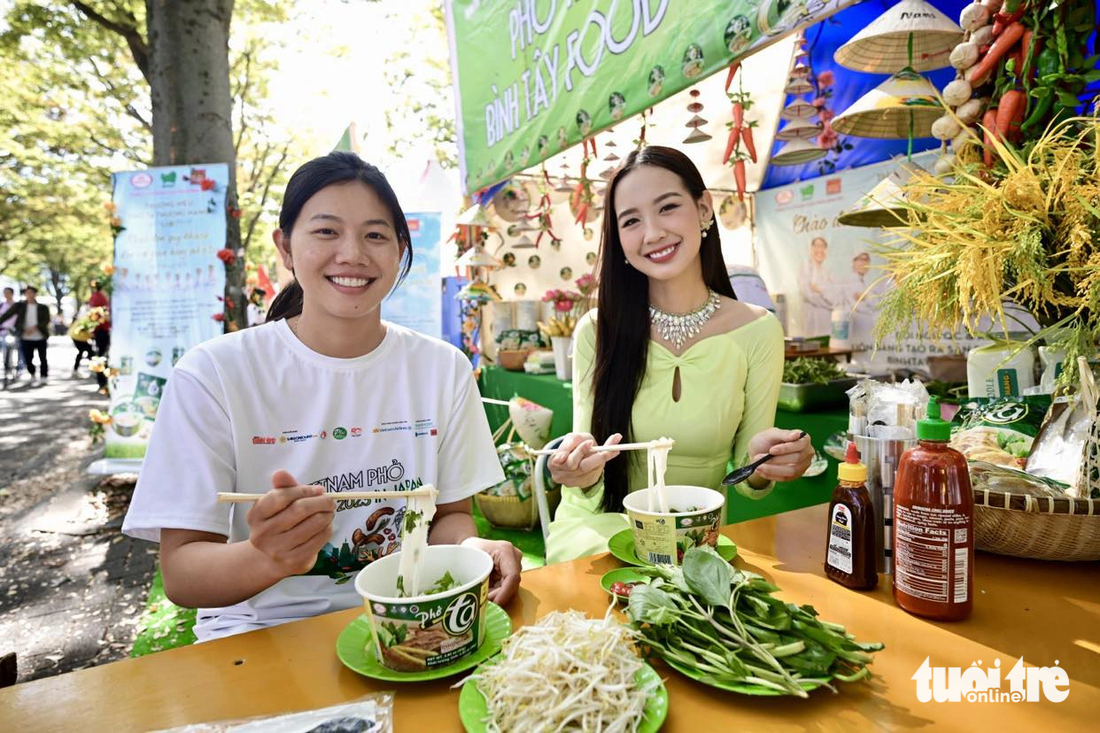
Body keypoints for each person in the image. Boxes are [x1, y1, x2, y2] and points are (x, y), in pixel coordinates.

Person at [122, 152, 522, 641]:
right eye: (327, 232)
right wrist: (265, 556)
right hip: (261, 631)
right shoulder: (213, 375)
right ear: (286, 248)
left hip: (410, 620)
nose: (352, 253)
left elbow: (449, 517)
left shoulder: (443, 369)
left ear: (400, 249)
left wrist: (472, 548)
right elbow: (183, 573)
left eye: (375, 235)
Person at [544, 146, 814, 563]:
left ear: (704, 209)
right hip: (597, 529)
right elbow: (588, 460)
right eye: (631, 221)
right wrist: (579, 468)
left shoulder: (758, 331)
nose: (651, 233)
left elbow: (747, 475)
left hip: (693, 538)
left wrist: (766, 462)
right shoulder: (597, 331)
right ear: (619, 239)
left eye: (667, 208)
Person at [7, 286, 51, 385]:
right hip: (25, 336)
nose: (29, 295)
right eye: (27, 293)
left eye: (31, 293)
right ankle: (32, 374)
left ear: (35, 294)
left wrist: (35, 328)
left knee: (42, 357)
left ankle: (44, 376)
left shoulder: (43, 307)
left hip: (40, 336)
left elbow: (46, 320)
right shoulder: (20, 306)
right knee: (28, 358)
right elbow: (8, 314)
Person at [797, 236, 835, 337]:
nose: (820, 250)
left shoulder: (826, 273)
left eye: (823, 247)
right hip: (812, 321)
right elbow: (807, 294)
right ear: (811, 249)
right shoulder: (806, 269)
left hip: (827, 322)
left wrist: (820, 291)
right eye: (817, 246)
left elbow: (834, 299)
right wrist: (826, 299)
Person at [87, 280, 111, 394]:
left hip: (103, 331)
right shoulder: (98, 297)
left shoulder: (99, 297)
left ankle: (103, 383)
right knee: (102, 356)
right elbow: (95, 316)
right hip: (102, 331)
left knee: (102, 356)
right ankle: (102, 383)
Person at [0, 287, 23, 382]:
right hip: (4, 332)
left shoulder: (17, 305)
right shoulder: (2, 305)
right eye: (5, 293)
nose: (6, 295)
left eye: (8, 293)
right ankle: (6, 369)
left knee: (18, 350)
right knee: (5, 351)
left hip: (15, 331)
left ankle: (19, 368)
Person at [68, 307, 95, 378]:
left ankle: (75, 370)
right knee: (89, 352)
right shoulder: (87, 319)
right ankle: (93, 369)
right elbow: (84, 329)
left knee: (84, 352)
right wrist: (91, 335)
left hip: (79, 337)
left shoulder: (86, 317)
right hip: (78, 337)